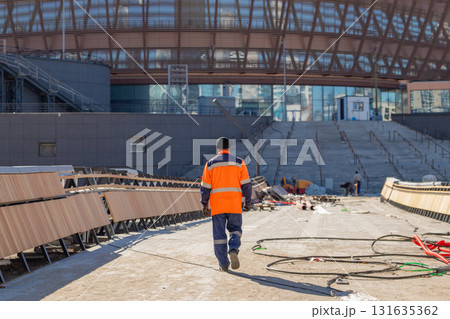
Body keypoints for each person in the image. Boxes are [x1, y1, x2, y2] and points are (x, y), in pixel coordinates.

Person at [200, 137, 252, 272]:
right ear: (229, 148)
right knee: (235, 229)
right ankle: (233, 248)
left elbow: (205, 187)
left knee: (219, 236)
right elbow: (246, 185)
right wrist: (248, 202)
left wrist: (204, 203)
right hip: (235, 204)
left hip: (218, 205)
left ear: (217, 149)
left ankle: (223, 264)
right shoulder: (239, 163)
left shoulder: (210, 164)